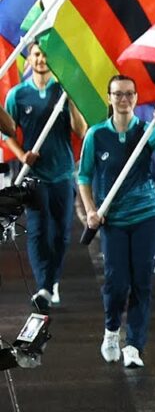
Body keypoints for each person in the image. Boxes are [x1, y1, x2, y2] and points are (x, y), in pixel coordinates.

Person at [78, 76, 155, 368]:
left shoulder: (148, 131)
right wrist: (90, 211)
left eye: (129, 94)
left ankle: (134, 344)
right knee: (116, 282)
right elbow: (84, 177)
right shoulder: (96, 135)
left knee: (141, 281)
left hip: (146, 215)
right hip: (112, 219)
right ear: (109, 98)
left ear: (136, 98)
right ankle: (112, 330)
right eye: (117, 94)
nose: (123, 100)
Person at [5, 42, 88, 312]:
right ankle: (44, 285)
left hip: (62, 173)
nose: (41, 59)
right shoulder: (18, 95)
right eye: (37, 55)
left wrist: (72, 97)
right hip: (34, 176)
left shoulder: (62, 92)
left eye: (45, 55)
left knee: (61, 234)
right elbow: (6, 133)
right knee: (38, 231)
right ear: (29, 59)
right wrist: (22, 156)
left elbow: (81, 130)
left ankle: (51, 281)